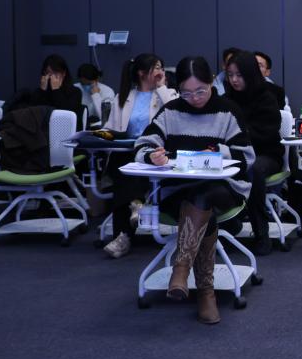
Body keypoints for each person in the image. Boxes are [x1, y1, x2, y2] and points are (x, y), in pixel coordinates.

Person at [135, 56, 253, 325]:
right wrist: (152, 156)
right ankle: (205, 293)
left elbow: (246, 157)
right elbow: (143, 144)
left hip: (224, 189)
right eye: (186, 93)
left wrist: (217, 152)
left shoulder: (228, 111)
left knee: (204, 193)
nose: (195, 99)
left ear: (212, 82)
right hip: (176, 191)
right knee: (200, 202)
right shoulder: (171, 111)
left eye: (201, 91)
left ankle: (181, 268)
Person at [99, 54, 178, 258]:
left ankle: (123, 237)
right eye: (156, 67)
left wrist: (161, 87)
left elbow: (176, 114)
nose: (161, 71)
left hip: (153, 152)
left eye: (161, 67)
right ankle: (135, 205)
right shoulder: (123, 97)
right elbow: (110, 128)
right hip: (124, 151)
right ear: (142, 73)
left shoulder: (166, 94)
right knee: (122, 168)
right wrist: (99, 135)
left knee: (127, 174)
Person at [226, 51, 282, 256]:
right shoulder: (226, 99)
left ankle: (261, 232)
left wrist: (239, 135)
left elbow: (267, 134)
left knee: (254, 169)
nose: (234, 80)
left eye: (239, 75)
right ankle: (227, 223)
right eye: (230, 75)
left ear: (250, 73)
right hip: (233, 155)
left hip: (266, 155)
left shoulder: (267, 97)